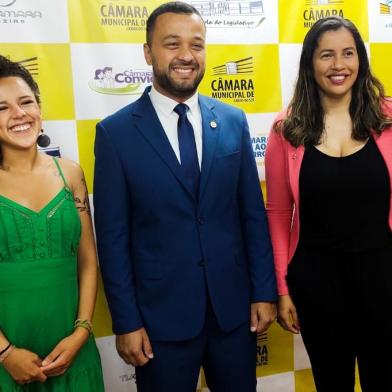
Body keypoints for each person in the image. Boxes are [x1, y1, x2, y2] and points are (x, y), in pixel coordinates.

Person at [93, 2, 277, 391]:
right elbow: (113, 239)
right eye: (172, 43)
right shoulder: (115, 134)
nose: (186, 56)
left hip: (233, 315)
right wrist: (127, 321)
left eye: (196, 44)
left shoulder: (231, 120)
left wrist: (263, 291)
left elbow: (252, 216)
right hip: (160, 322)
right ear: (148, 52)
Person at [265, 16, 392, 392]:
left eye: (348, 54)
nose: (339, 66)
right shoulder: (286, 129)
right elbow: (277, 213)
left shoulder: (387, 118)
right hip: (316, 285)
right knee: (331, 384)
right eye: (327, 55)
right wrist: (282, 289)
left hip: (383, 280)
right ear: (310, 63)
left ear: (361, 60)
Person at [0, 56, 104, 390]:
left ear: (40, 109)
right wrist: (5, 353)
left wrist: (82, 331)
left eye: (26, 101)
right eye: (2, 107)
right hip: (6, 361)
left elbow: (88, 261)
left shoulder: (70, 174)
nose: (19, 114)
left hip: (73, 353)